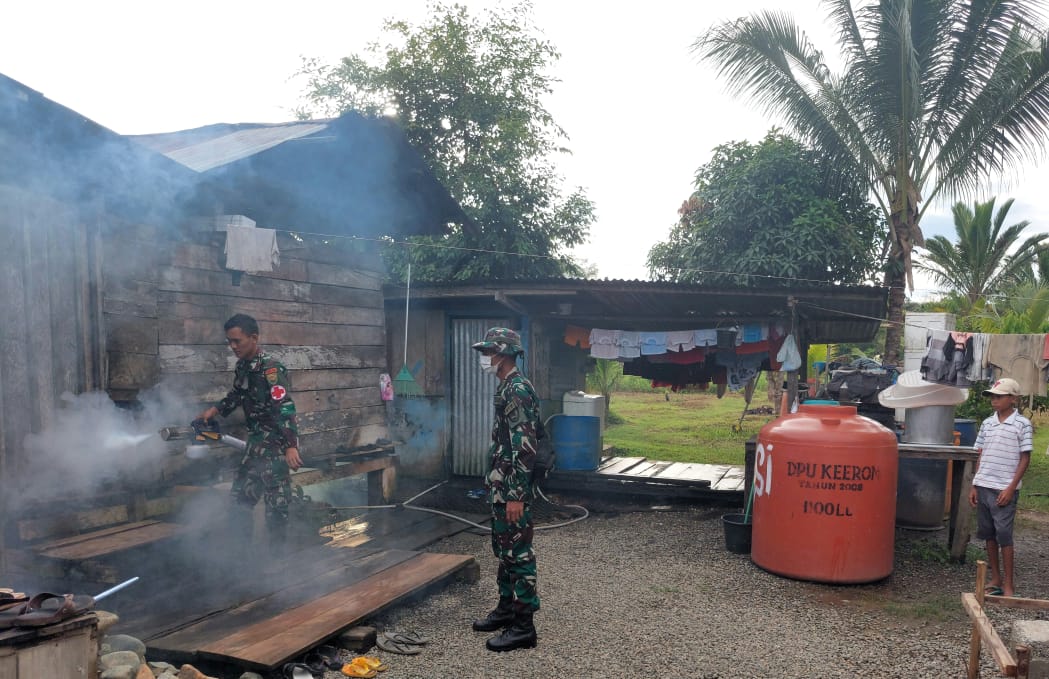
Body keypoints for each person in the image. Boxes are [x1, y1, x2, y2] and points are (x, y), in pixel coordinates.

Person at [197, 313, 302, 555]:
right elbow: (236, 395)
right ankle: (242, 558)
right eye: (229, 342)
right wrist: (215, 410)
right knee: (239, 502)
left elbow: (285, 407)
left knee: (277, 508)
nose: (233, 347)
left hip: (275, 447)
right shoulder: (243, 366)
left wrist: (290, 445)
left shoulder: (272, 369)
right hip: (254, 447)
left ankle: (278, 561)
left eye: (237, 341)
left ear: (254, 338)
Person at [470, 327, 540, 652]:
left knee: (519, 554)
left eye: (488, 352)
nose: (485, 358)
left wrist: (516, 495)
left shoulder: (517, 390)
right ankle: (506, 609)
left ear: (501, 353)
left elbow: (525, 448)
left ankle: (524, 628)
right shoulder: (506, 387)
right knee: (503, 550)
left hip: (511, 489)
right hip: (501, 485)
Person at [968, 377, 1031, 597]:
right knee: (989, 534)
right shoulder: (987, 423)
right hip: (984, 485)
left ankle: (1009, 585)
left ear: (1013, 399)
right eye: (992, 396)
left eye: (999, 396)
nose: (994, 400)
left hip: (1004, 489)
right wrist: (974, 484)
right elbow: (980, 454)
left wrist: (1011, 488)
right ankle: (995, 578)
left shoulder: (1022, 424)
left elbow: (1025, 458)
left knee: (1004, 535)